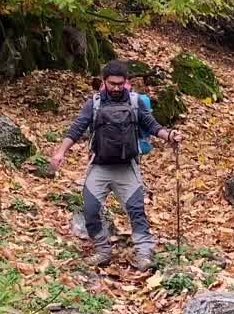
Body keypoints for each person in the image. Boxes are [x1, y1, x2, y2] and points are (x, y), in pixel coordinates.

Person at [49, 60, 183, 271]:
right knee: (91, 211)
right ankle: (102, 250)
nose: (116, 88)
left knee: (136, 211)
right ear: (104, 82)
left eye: (120, 83)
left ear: (126, 82)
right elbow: (77, 128)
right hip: (99, 167)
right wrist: (60, 152)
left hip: (126, 168)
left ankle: (144, 253)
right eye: (112, 83)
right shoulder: (93, 104)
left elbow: (150, 124)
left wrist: (169, 136)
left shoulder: (135, 102)